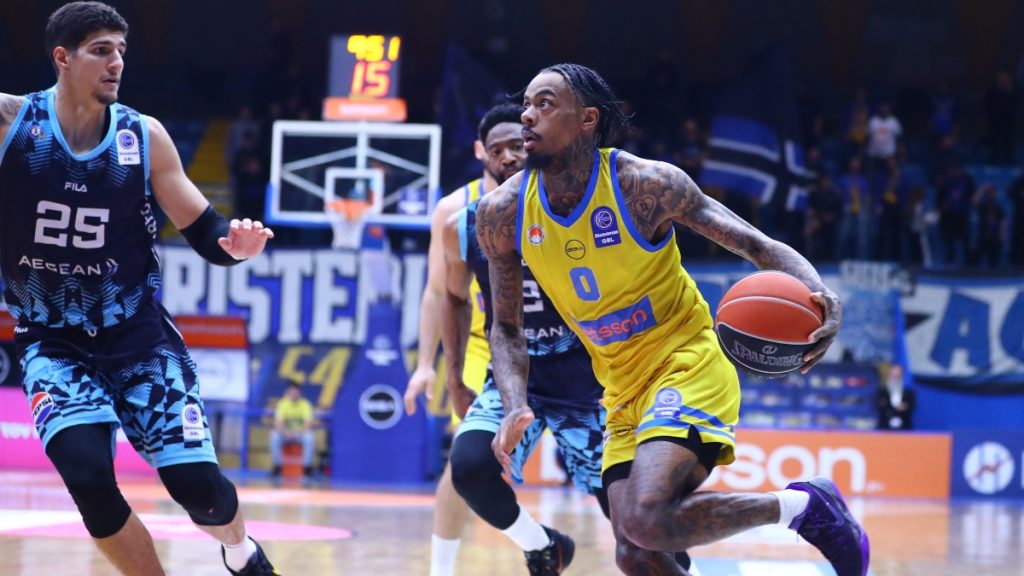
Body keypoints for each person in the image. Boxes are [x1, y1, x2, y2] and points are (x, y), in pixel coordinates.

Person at [476, 63, 869, 576]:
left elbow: (756, 244)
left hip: (685, 363)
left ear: (588, 118)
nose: (527, 115)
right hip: (619, 388)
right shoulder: (501, 213)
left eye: (544, 104)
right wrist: (514, 404)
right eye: (526, 104)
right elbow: (507, 326)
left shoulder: (644, 184)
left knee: (647, 520)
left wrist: (819, 293)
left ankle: (803, 507)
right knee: (636, 555)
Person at [0, 3, 278, 575]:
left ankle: (241, 551)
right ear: (62, 58)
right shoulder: (12, 123)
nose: (116, 63)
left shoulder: (142, 135)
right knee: (87, 477)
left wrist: (235, 245)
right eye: (101, 50)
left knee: (200, 491)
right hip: (52, 340)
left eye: (121, 51)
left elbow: (205, 229)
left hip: (137, 337)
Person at [401, 101, 525, 576]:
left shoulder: (552, 194)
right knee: (462, 461)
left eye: (518, 144)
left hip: (558, 341)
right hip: (481, 342)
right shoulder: (453, 210)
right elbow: (438, 292)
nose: (508, 155)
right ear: (479, 151)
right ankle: (441, 570)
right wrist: (425, 366)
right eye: (497, 147)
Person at [269, 382, 316, 478]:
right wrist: (285, 432)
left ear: (300, 393)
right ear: (287, 393)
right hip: (285, 434)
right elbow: (278, 423)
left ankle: (307, 468)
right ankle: (277, 467)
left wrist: (297, 433)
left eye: (296, 393)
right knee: (274, 436)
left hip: (300, 434)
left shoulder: (305, 404)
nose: (294, 395)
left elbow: (308, 424)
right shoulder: (282, 404)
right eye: (291, 392)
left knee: (309, 437)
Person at [876, 364, 915, 431]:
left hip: (904, 428)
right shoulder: (881, 392)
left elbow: (910, 408)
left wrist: (903, 408)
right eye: (893, 375)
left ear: (902, 376)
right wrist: (895, 407)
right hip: (884, 427)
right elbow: (878, 406)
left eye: (897, 375)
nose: (895, 378)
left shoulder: (909, 393)